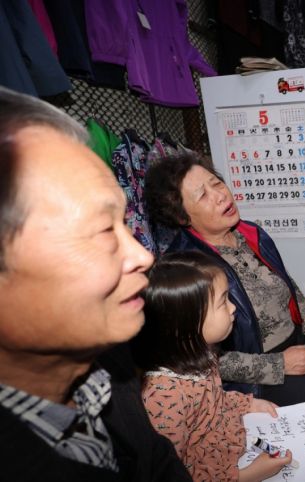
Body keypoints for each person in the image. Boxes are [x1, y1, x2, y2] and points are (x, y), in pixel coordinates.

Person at [144, 154, 305, 481]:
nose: (220, 195)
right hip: (252, 367)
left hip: (293, 336)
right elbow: (198, 358)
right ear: (182, 217)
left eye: (216, 183)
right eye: (203, 195)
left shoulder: (249, 232)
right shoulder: (188, 271)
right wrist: (278, 365)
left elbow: (286, 282)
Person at [0, 86, 191, 481]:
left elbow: (157, 460)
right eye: (104, 229)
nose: (143, 256)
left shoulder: (110, 360)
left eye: (125, 224)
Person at [133, 250, 294, 482]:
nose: (233, 308)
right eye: (223, 302)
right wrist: (248, 475)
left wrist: (247, 404)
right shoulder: (164, 396)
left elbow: (214, 402)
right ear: (187, 322)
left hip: (233, 444)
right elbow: (171, 473)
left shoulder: (201, 354)